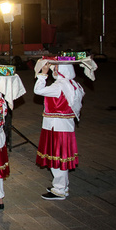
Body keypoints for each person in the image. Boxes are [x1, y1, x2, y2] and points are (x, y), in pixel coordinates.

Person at [34, 63, 85, 200]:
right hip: (66, 126)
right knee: (61, 157)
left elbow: (38, 90)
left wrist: (43, 75)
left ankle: (60, 189)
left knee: (57, 158)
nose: (54, 71)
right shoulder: (73, 85)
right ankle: (63, 186)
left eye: (56, 69)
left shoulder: (59, 86)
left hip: (55, 126)